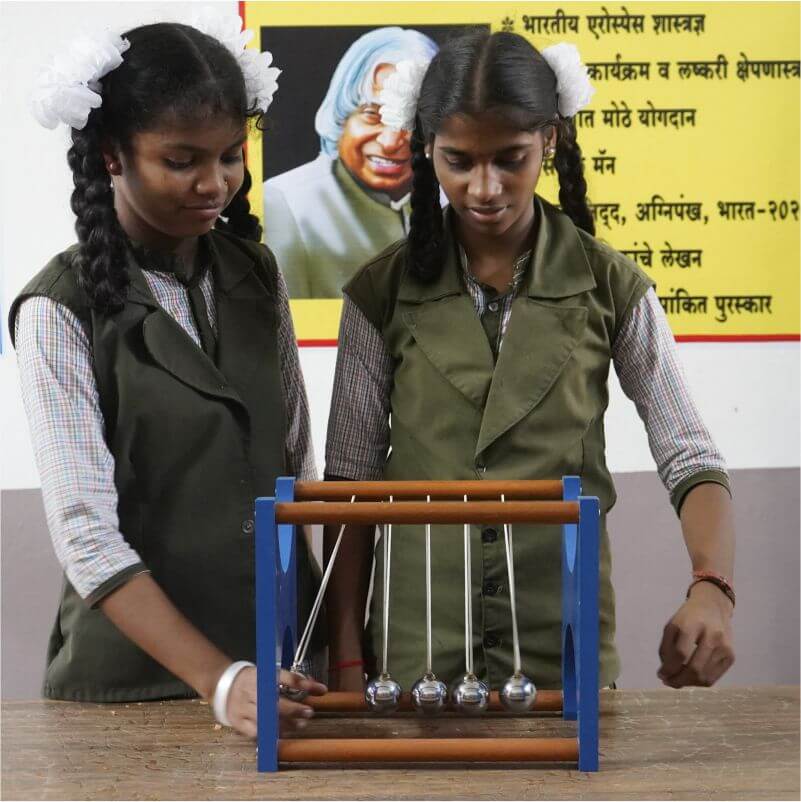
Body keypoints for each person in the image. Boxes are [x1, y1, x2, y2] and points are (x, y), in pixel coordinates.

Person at [323, 31, 736, 694]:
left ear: (549, 140)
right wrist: (344, 656)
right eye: (458, 161)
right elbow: (349, 482)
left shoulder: (612, 287)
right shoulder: (378, 294)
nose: (483, 187)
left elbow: (689, 458)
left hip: (558, 642)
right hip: (416, 647)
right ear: (425, 148)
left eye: (509, 159)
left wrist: (712, 588)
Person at [12, 16, 326, 738]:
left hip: (281, 668)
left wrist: (336, 646)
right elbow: (88, 538)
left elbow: (296, 467)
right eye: (181, 160)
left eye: (229, 157)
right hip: (134, 689)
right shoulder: (58, 309)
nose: (213, 183)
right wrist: (218, 680)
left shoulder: (256, 274)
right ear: (111, 157)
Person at [262, 26, 438, 298]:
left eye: (411, 120)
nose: (391, 142)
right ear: (340, 115)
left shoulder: (458, 202)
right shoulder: (285, 204)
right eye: (372, 114)